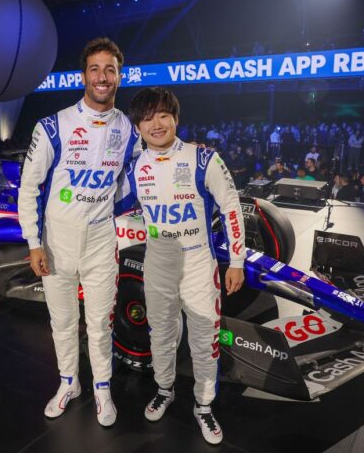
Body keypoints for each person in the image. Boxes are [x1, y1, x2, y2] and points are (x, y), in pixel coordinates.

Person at [17, 37, 140, 427]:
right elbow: (28, 188)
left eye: (110, 69)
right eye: (95, 69)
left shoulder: (129, 130)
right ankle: (69, 383)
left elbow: (143, 173)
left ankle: (102, 388)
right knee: (63, 322)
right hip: (57, 242)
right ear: (83, 76)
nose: (102, 77)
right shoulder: (53, 126)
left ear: (119, 76)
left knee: (101, 323)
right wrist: (34, 242)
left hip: (102, 240)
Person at [125, 87, 245, 445]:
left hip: (197, 263)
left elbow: (231, 206)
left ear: (176, 118)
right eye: (147, 118)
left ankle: (204, 406)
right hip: (157, 265)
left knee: (204, 338)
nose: (156, 124)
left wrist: (236, 261)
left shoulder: (203, 158)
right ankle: (165, 389)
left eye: (163, 115)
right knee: (160, 334)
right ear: (138, 126)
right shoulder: (134, 167)